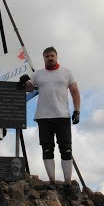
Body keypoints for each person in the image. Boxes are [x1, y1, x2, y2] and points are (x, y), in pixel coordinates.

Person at [19, 46, 80, 197]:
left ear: (56, 56)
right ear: (44, 58)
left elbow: (74, 91)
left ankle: (67, 184)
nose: (50, 58)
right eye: (47, 56)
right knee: (47, 149)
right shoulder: (38, 74)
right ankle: (52, 182)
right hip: (43, 117)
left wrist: (77, 111)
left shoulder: (66, 72)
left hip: (62, 116)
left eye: (52, 55)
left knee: (66, 150)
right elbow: (29, 88)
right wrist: (25, 81)